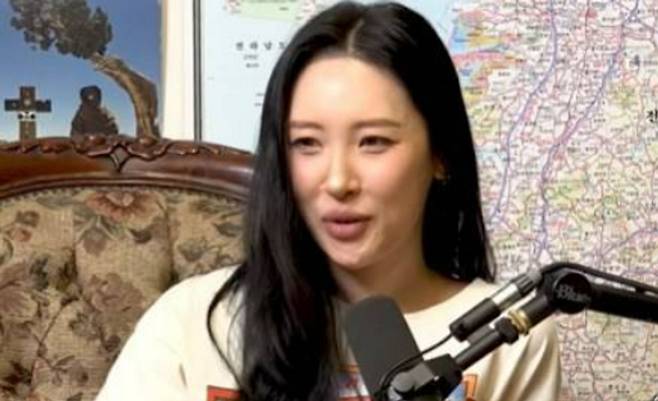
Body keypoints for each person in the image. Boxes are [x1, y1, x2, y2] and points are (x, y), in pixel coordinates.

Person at [95, 2, 560, 401]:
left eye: (374, 141)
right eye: (307, 143)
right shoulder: (193, 321)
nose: (338, 181)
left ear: (441, 155)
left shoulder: (509, 334)